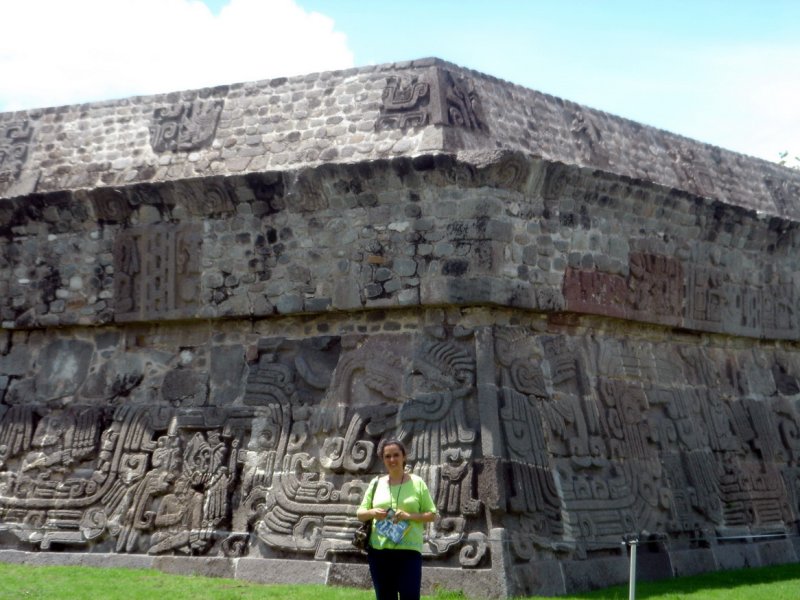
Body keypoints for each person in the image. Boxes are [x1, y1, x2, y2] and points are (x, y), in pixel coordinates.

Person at [357, 439, 437, 600]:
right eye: (387, 456)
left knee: (410, 596)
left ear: (404, 456)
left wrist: (409, 516)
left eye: (396, 455)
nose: (392, 460)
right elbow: (360, 513)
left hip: (409, 552)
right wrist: (373, 512)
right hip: (379, 552)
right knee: (385, 597)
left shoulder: (417, 483)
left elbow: (432, 514)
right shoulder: (375, 484)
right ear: (383, 459)